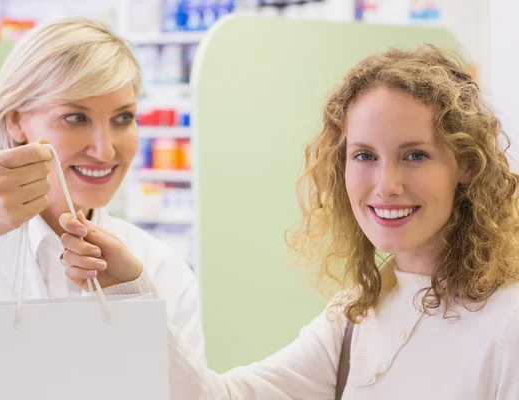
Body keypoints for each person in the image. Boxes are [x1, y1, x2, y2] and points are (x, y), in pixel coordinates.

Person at [59, 44, 519, 399]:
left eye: (415, 155)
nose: (386, 185)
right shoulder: (359, 312)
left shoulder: (507, 321)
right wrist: (130, 289)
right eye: (364, 156)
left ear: (466, 165)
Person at [0, 17, 205, 400]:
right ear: (16, 121)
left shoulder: (159, 269)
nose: (105, 150)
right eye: (76, 117)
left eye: (123, 118)